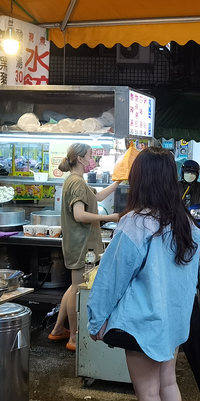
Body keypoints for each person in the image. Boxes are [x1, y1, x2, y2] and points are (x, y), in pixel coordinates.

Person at [86, 147, 200, 401]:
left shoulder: (135, 222)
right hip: (173, 322)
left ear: (140, 179)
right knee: (167, 385)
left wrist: (96, 318)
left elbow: (112, 278)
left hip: (142, 323)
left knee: (148, 393)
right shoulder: (186, 222)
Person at [48, 143, 119, 352]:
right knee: (78, 291)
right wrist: (110, 217)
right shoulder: (77, 183)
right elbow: (80, 215)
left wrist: (118, 181)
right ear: (79, 159)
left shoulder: (75, 181)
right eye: (89, 156)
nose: (92, 161)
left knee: (73, 288)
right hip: (81, 245)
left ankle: (58, 328)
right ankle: (74, 337)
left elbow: (97, 197)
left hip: (78, 243)